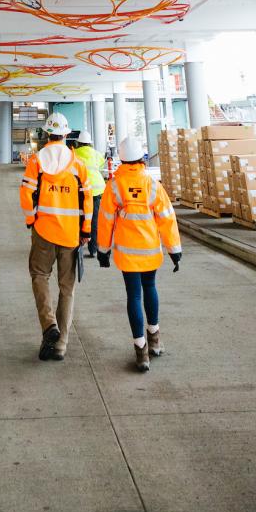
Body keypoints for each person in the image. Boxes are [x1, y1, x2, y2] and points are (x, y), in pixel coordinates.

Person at [96, 135, 182, 373]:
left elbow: (105, 221)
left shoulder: (114, 186)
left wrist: (103, 250)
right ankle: (155, 340)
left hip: (126, 253)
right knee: (150, 288)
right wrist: (175, 250)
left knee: (133, 296)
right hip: (150, 250)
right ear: (142, 158)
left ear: (121, 160)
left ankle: (141, 351)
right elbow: (167, 219)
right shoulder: (153, 185)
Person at [19, 113, 92, 362]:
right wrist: (86, 230)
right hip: (70, 234)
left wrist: (32, 220)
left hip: (43, 232)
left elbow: (26, 193)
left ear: (46, 133)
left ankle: (49, 325)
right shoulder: (77, 165)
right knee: (67, 289)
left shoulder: (37, 161)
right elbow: (88, 200)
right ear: (66, 134)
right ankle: (60, 344)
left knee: (39, 276)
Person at [72, 129, 107, 257]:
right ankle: (93, 250)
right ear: (90, 143)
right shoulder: (97, 154)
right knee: (94, 221)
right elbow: (101, 167)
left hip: (80, 191)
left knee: (79, 219)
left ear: (78, 143)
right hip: (96, 191)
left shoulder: (74, 154)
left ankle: (78, 247)